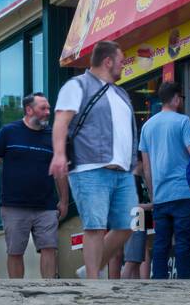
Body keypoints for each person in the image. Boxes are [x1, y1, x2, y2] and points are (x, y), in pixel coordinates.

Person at [50, 40, 138, 280]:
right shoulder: (77, 85)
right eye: (121, 61)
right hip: (90, 168)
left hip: (123, 171)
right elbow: (61, 121)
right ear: (107, 61)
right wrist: (59, 154)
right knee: (95, 226)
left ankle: (89, 269)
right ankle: (92, 282)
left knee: (129, 225)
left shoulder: (120, 93)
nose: (123, 65)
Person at [0, 93, 68, 279]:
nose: (48, 112)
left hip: (46, 205)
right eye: (43, 108)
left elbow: (60, 171)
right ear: (29, 110)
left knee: (49, 248)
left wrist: (64, 200)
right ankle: (17, 291)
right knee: (15, 251)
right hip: (14, 206)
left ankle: (49, 290)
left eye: (49, 108)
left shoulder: (53, 136)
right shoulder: (9, 132)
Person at [139, 81, 190, 279]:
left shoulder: (147, 127)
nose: (182, 101)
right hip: (184, 193)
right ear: (176, 99)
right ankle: (184, 288)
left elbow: (147, 167)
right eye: (182, 98)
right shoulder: (183, 122)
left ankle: (159, 289)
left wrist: (153, 193)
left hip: (161, 196)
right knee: (183, 244)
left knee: (160, 245)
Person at [120, 161, 152, 280]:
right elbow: (130, 205)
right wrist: (151, 206)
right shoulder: (133, 180)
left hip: (140, 221)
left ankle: (136, 287)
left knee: (137, 259)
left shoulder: (140, 179)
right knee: (132, 260)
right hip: (135, 221)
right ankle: (122, 288)